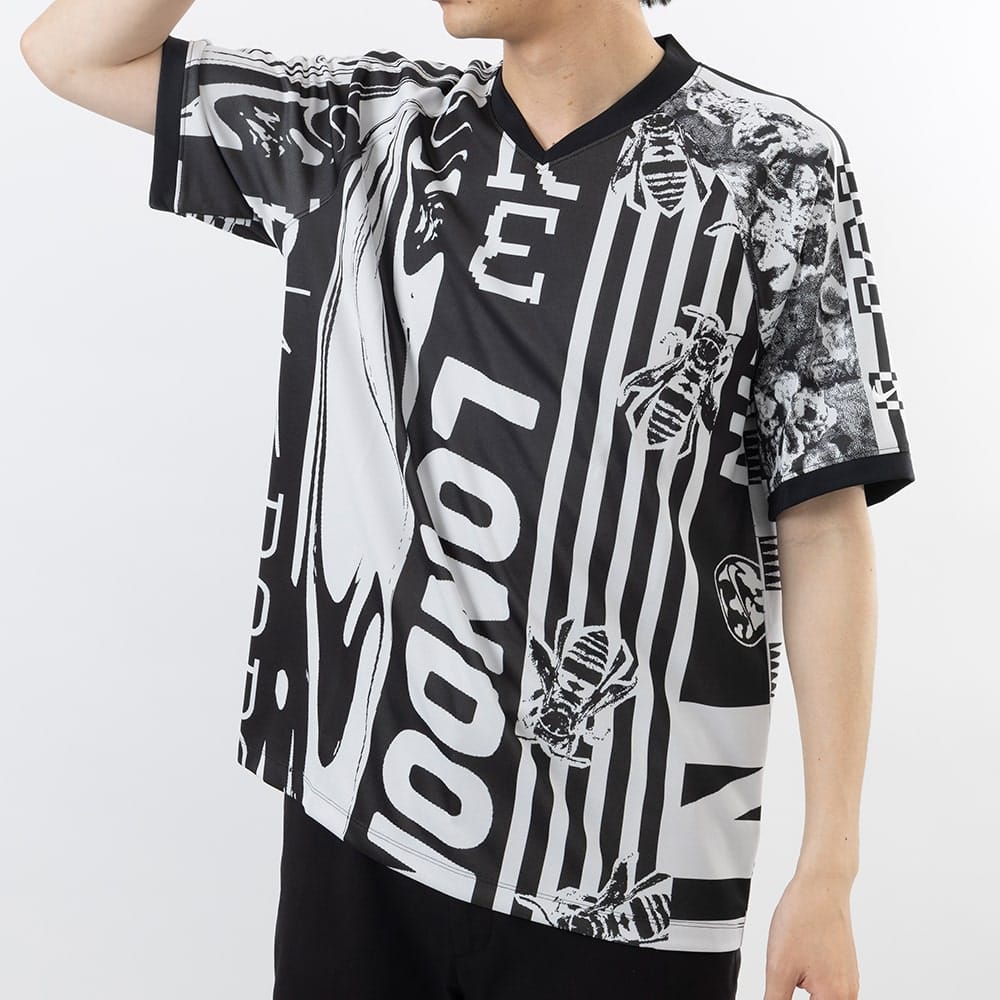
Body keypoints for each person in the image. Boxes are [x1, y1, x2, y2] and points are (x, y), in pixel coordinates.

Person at [20, 1, 916, 997]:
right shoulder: (369, 133)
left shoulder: (775, 169)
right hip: (365, 832)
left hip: (630, 879)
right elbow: (68, 55)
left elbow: (823, 521)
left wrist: (828, 866)